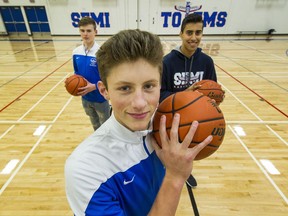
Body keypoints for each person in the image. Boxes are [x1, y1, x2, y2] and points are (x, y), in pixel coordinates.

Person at [65, 29, 212, 216]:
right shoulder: (85, 168)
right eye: (125, 88)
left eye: (149, 86)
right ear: (104, 91)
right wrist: (175, 178)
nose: (140, 103)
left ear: (160, 84)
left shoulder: (166, 127)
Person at [160, 13, 218, 187]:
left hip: (195, 117)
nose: (194, 38)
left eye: (198, 33)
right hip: (171, 116)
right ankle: (164, 174)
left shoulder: (207, 62)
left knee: (189, 151)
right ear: (181, 34)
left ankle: (186, 173)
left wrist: (216, 99)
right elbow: (160, 94)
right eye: (189, 33)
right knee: (167, 151)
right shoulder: (167, 62)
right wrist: (186, 94)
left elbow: (212, 91)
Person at [72, 16, 110, 131]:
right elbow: (76, 73)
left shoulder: (101, 52)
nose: (85, 34)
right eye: (82, 31)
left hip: (100, 97)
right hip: (85, 98)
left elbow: (109, 77)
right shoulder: (75, 52)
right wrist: (73, 82)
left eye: (89, 31)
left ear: (95, 32)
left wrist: (94, 86)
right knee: (95, 126)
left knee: (106, 126)